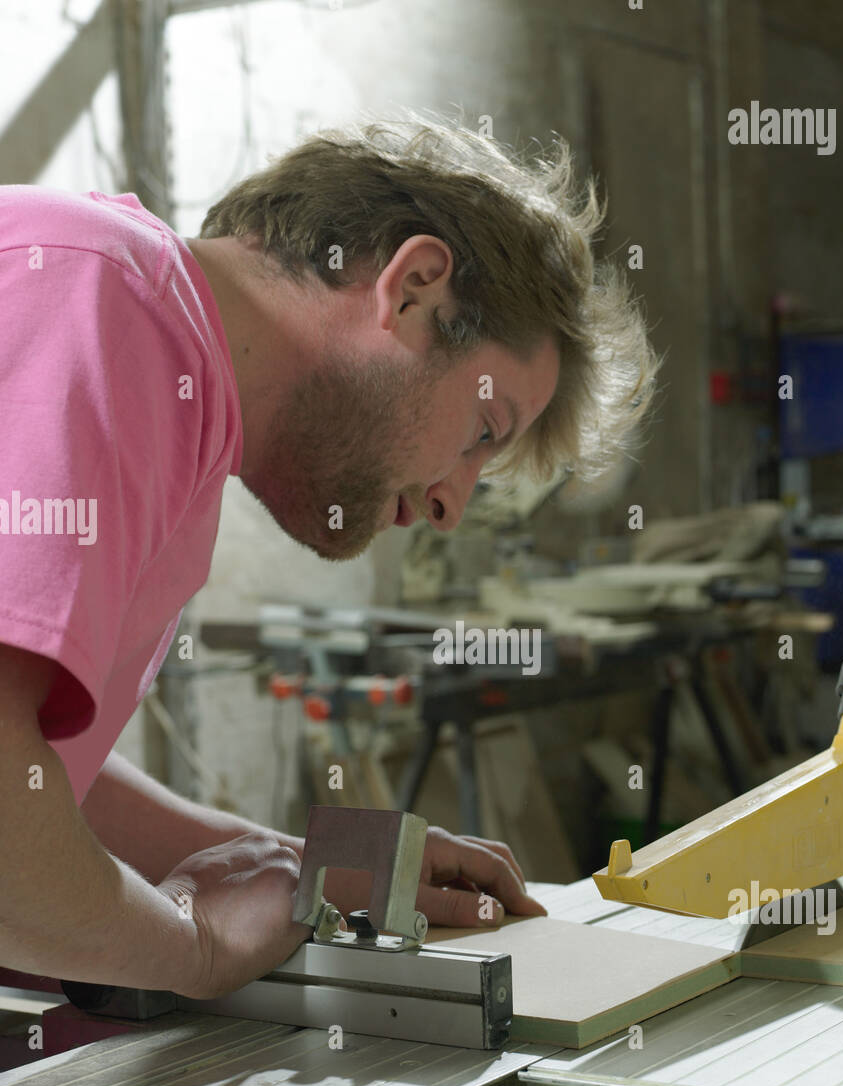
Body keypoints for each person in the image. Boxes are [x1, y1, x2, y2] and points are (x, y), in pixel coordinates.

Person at [0, 117, 655, 1001]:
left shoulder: (166, 376)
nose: (448, 505)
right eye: (481, 433)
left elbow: (35, 763)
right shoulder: (99, 298)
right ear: (415, 289)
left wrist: (292, 862)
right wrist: (188, 950)